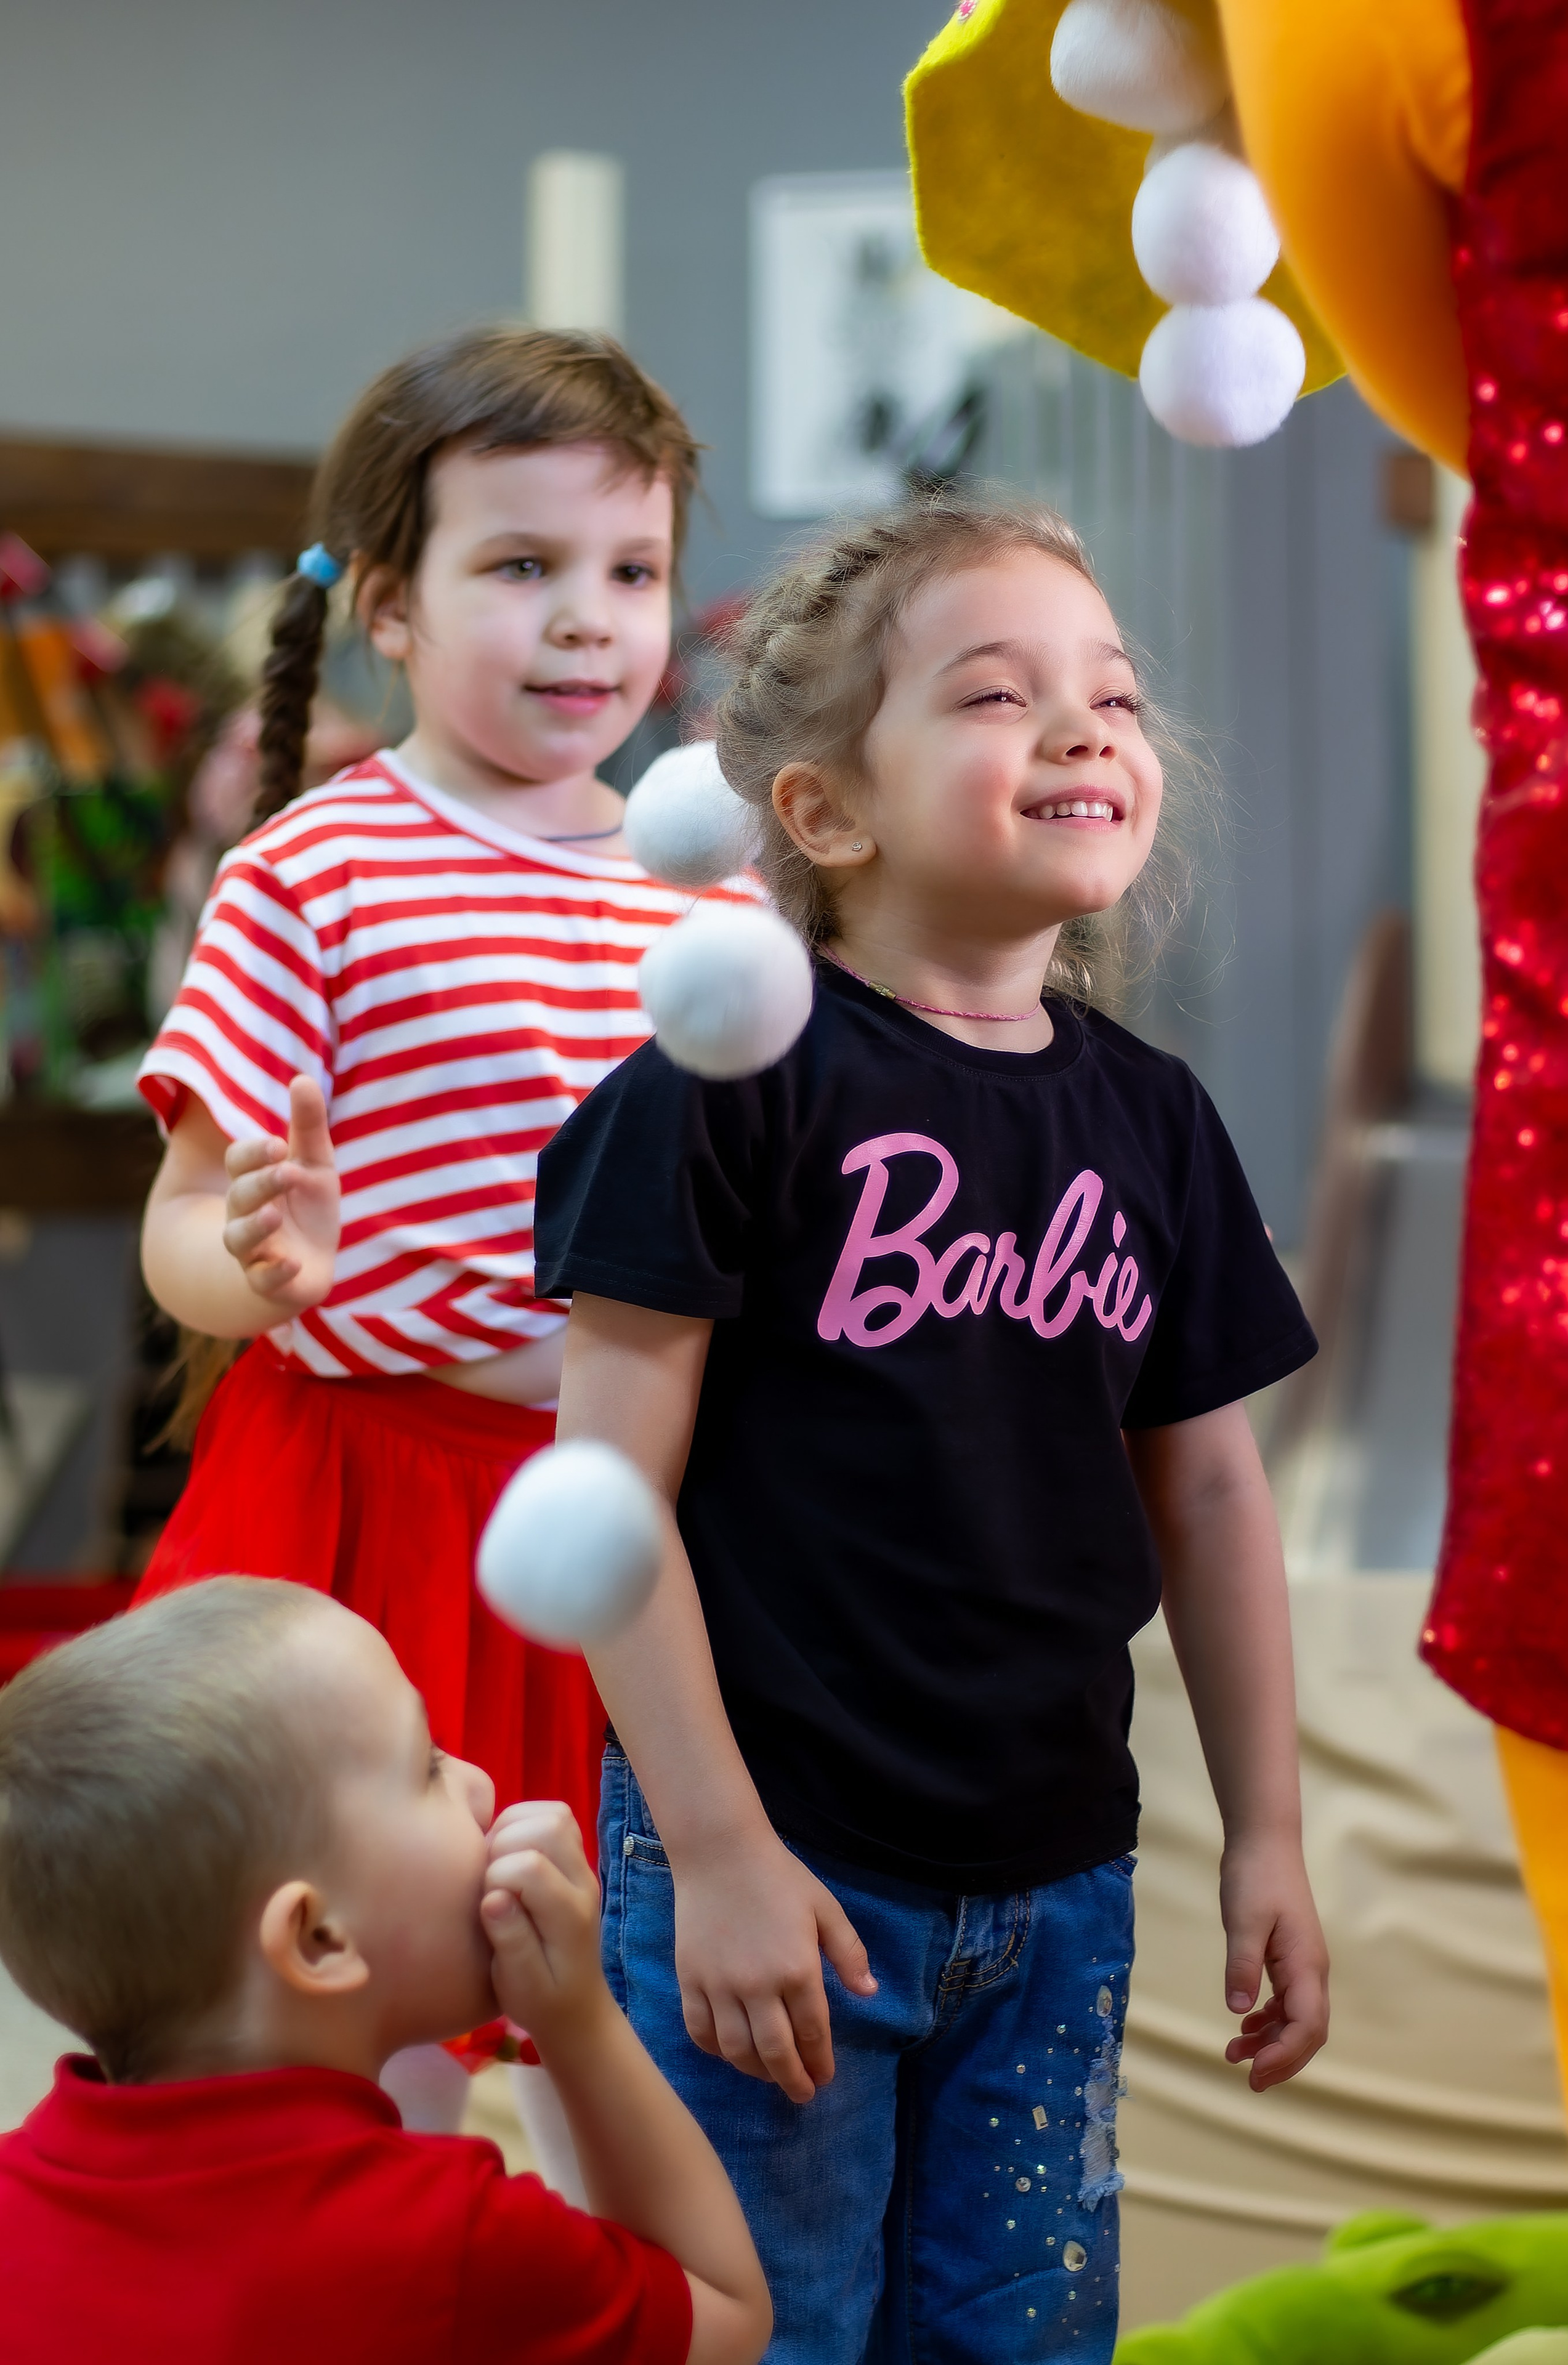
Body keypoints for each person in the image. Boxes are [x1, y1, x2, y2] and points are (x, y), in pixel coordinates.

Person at [531, 495, 1332, 2364]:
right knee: (775, 2331)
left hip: (1056, 1879)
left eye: (1110, 695)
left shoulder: (1152, 1115)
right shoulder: (722, 1085)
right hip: (779, 1865)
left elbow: (1208, 1492)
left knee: (1023, 2343)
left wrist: (1266, 1833)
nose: (1081, 729)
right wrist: (716, 1849)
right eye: (996, 695)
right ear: (825, 810)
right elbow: (600, 1506)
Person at [134, 325, 748, 2138]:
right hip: (371, 1505)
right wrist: (247, 1260)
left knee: (607, 2004)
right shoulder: (314, 868)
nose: (589, 620)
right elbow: (186, 1220)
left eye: (629, 571)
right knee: (368, 2007)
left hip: (632, 1507)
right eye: (522, 567)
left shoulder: (692, 877)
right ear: (390, 606)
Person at [0, 1579, 771, 2365]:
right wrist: (579, 2021)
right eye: (427, 1765)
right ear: (318, 1938)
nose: (477, 1783)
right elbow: (725, 2312)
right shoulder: (456, 2242)